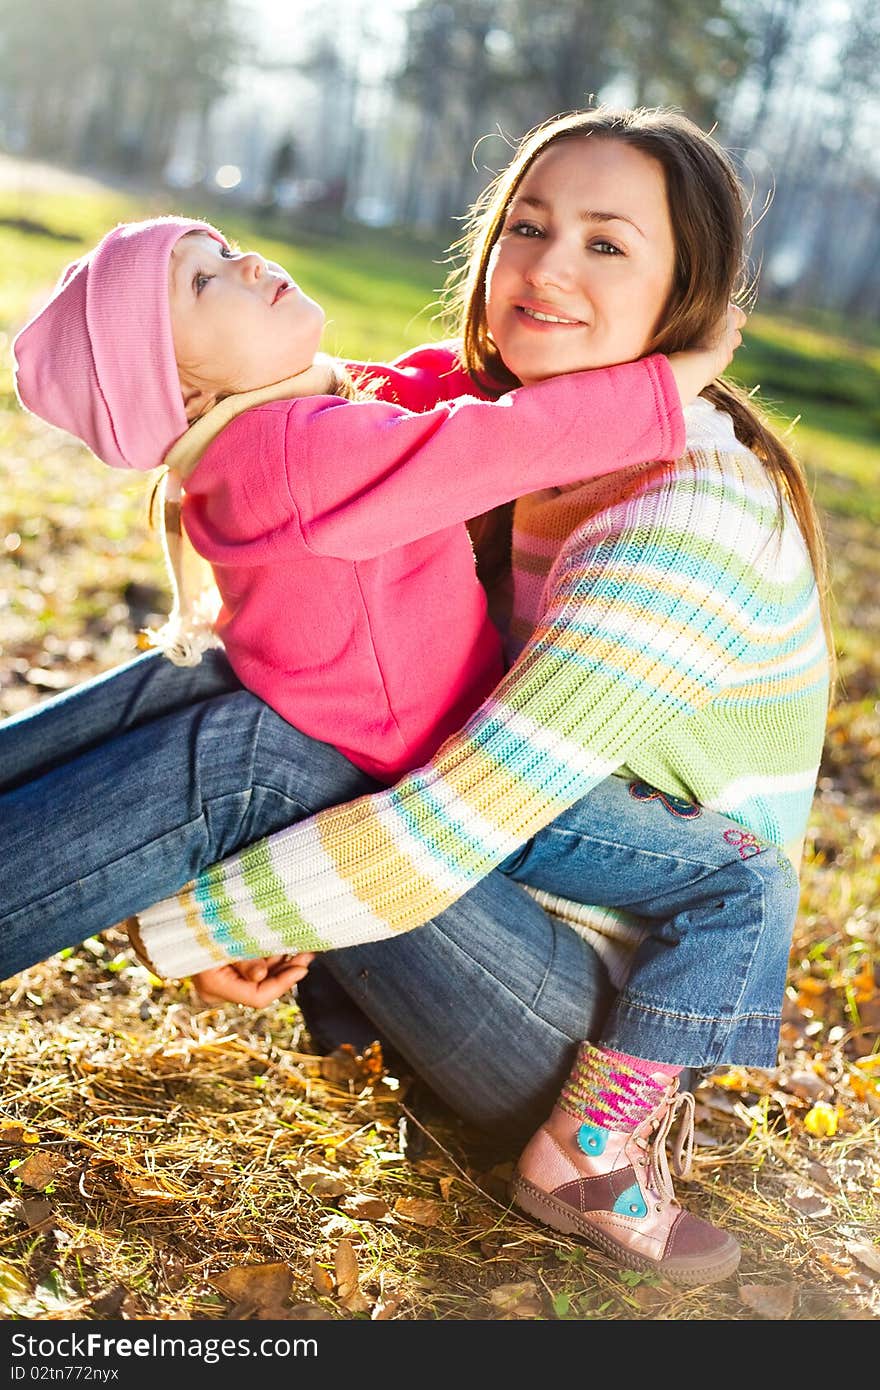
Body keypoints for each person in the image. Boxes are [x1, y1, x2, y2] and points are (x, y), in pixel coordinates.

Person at [0, 108, 828, 1285]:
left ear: (683, 292)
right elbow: (437, 425)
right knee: (219, 687)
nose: (544, 266)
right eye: (528, 227)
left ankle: (597, 1155)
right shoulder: (487, 442)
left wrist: (211, 916)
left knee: (267, 748)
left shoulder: (682, 515)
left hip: (573, 1026)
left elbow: (461, 818)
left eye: (606, 244)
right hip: (491, 888)